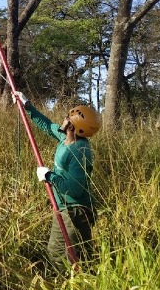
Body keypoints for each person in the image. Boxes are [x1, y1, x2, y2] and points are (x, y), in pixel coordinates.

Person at [12, 90, 100, 272]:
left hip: (74, 211)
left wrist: (49, 176)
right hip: (64, 208)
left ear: (71, 126)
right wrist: (27, 105)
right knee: (80, 254)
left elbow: (75, 190)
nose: (64, 118)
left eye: (68, 117)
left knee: (58, 254)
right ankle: (84, 282)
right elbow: (47, 125)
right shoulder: (66, 139)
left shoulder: (79, 152)